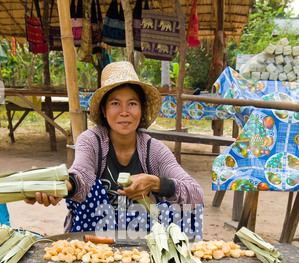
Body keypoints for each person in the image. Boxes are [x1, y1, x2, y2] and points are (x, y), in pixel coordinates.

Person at [25, 61, 203, 238]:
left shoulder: (154, 150)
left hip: (141, 235)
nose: (124, 112)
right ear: (104, 109)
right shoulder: (91, 141)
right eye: (115, 103)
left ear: (141, 109)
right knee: (90, 190)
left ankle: (174, 261)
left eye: (132, 103)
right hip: (95, 233)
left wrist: (156, 183)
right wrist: (59, 186)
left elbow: (196, 193)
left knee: (188, 209)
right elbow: (81, 175)